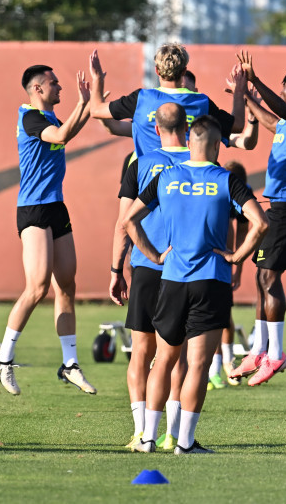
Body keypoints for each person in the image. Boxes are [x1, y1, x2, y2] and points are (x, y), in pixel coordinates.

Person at [124, 115, 268, 454]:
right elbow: (260, 223)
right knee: (199, 364)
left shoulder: (166, 177)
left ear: (189, 142)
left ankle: (147, 438)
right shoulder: (226, 179)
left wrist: (155, 255)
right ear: (217, 146)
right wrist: (236, 257)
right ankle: (184, 443)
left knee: (163, 359)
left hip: (171, 279)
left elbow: (129, 220)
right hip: (210, 281)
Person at [0, 65, 96, 395]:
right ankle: (3, 359)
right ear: (38, 89)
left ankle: (70, 364)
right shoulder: (30, 118)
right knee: (37, 288)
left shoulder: (49, 119)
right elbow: (63, 136)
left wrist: (86, 103)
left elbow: (66, 129)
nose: (59, 86)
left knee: (66, 285)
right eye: (54, 83)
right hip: (33, 208)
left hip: (55, 207)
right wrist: (83, 103)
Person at [229, 51, 286, 386]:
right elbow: (272, 121)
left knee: (269, 279)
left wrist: (254, 80)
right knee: (261, 278)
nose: (281, 91)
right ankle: (258, 350)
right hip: (280, 205)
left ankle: (276, 354)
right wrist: (247, 98)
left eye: (284, 87)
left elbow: (282, 112)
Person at [109, 102, 191, 449]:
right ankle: (174, 433)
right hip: (185, 270)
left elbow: (123, 221)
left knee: (140, 351)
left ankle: (141, 432)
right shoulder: (200, 163)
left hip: (145, 266)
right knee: (178, 354)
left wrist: (117, 268)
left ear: (156, 129)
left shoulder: (138, 162)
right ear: (186, 127)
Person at [88, 44, 244, 159]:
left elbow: (96, 110)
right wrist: (239, 91)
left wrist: (98, 80)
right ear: (184, 71)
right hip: (186, 187)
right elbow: (237, 125)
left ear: (157, 71)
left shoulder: (141, 98)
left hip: (147, 188)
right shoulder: (201, 102)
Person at [207, 160, 250, 390]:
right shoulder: (207, 186)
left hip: (220, 262)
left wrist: (237, 266)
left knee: (222, 316)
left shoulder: (241, 192)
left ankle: (222, 365)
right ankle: (211, 368)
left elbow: (243, 230)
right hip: (194, 259)